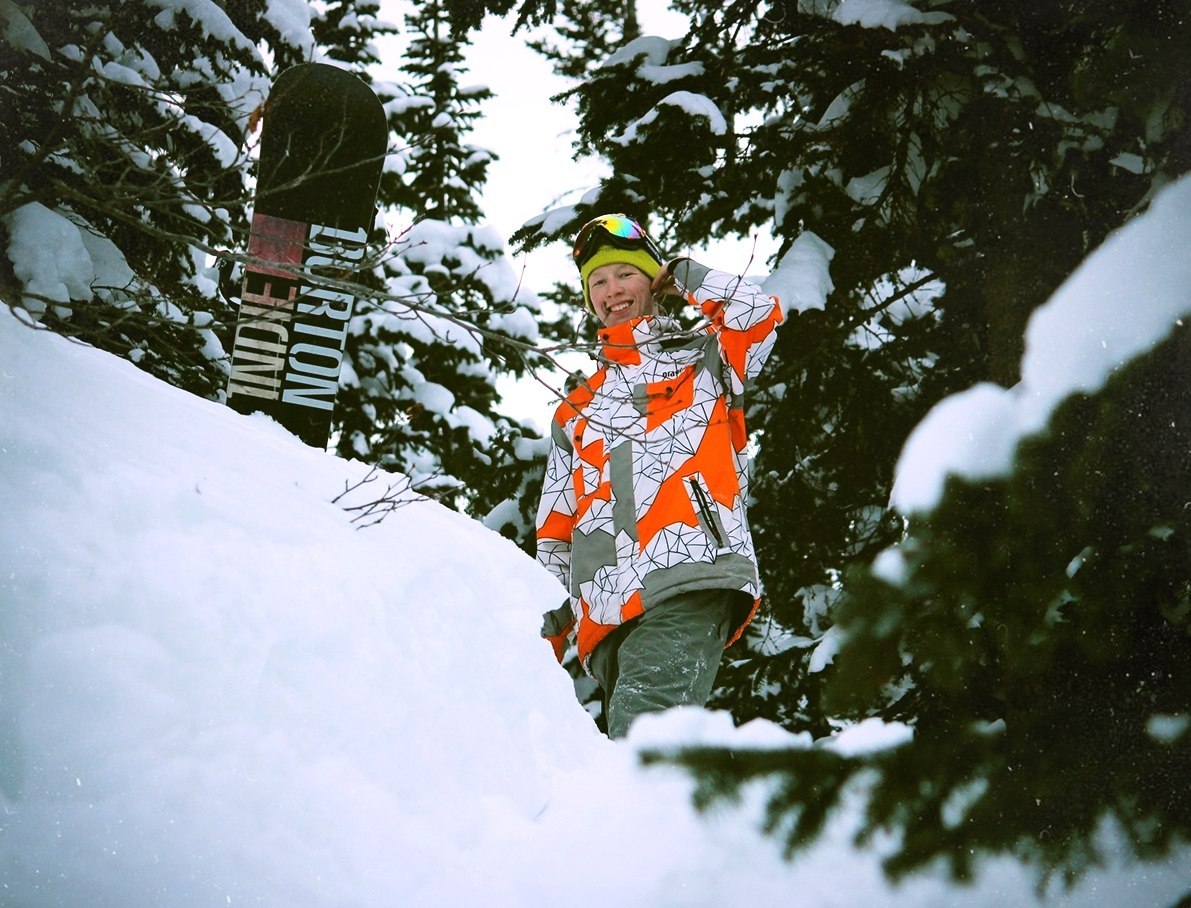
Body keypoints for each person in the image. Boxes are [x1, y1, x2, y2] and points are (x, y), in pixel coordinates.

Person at [536, 213, 785, 739]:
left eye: (625, 273)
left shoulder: (702, 360)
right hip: (606, 619)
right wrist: (542, 640)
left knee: (642, 735)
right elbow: (556, 535)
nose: (612, 290)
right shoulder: (576, 409)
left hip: (688, 573)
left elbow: (758, 314)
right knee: (642, 749)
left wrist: (686, 274)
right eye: (597, 283)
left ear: (651, 280)